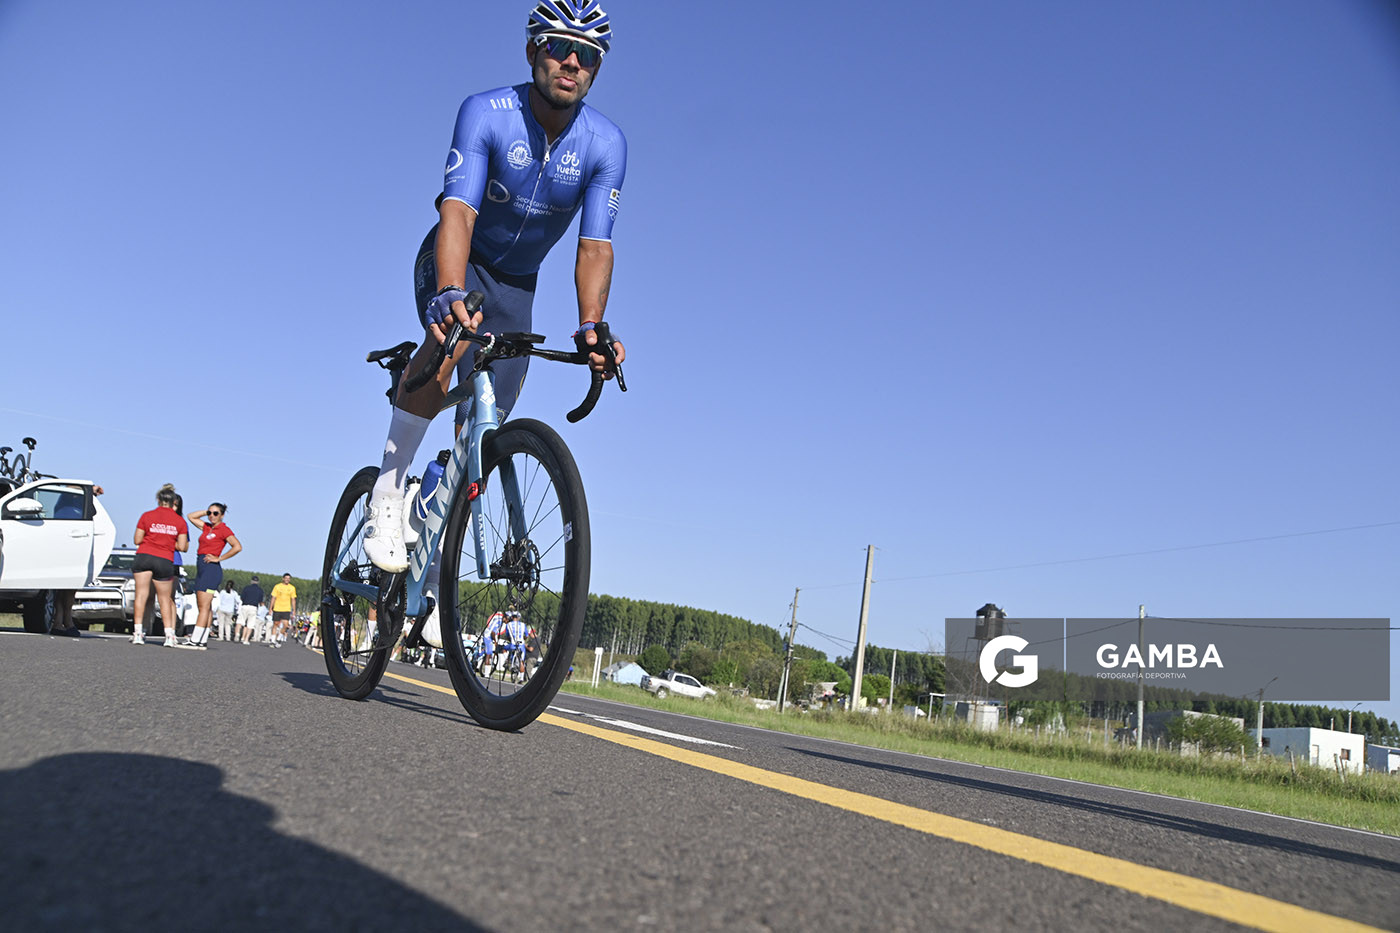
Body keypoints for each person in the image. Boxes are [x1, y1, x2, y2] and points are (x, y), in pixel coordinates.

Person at [362, 0, 627, 572]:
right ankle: (386, 489)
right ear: (533, 50)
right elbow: (458, 211)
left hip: (517, 289)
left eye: (588, 56)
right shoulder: (487, 111)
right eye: (560, 47)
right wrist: (450, 290)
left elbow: (594, 247)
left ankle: (435, 563)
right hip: (459, 258)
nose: (572, 63)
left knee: (484, 427)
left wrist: (590, 327)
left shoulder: (606, 145)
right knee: (451, 344)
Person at [131, 484, 189, 647]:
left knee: (141, 595)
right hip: (164, 558)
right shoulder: (180, 521)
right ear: (173, 502)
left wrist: (154, 537)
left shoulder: (147, 515)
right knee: (165, 599)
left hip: (144, 555)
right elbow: (183, 545)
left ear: (158, 500)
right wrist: (167, 540)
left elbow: (137, 539)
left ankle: (137, 633)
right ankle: (169, 636)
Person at [185, 502, 242, 648]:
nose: (212, 516)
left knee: (203, 606)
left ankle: (195, 639)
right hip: (202, 567)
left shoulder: (224, 530)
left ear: (222, 515)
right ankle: (202, 639)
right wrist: (207, 512)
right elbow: (190, 516)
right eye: (210, 513)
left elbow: (237, 546)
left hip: (212, 570)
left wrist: (219, 558)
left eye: (216, 513)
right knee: (205, 606)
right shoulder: (206, 527)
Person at [269, 573, 297, 647]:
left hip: (286, 609)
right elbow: (273, 598)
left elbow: (293, 599)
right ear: (283, 578)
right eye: (286, 578)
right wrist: (270, 608)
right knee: (276, 624)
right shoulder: (277, 586)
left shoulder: (292, 588)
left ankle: (279, 638)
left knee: (285, 625)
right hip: (277, 608)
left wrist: (294, 610)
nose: (287, 580)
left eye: (289, 578)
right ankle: (272, 640)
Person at [237, 575, 263, 643]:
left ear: (251, 581)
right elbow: (260, 601)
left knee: (240, 621)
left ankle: (237, 634)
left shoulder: (246, 588)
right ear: (258, 582)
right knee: (250, 624)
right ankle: (246, 639)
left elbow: (242, 597)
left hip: (245, 606)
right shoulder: (260, 590)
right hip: (253, 607)